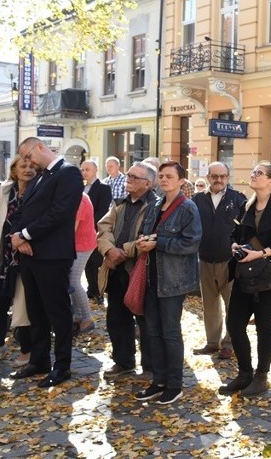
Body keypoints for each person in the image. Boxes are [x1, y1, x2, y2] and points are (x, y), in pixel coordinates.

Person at [219, 162, 271, 397]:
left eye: (259, 173)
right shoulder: (248, 204)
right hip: (246, 272)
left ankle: (261, 377)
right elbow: (237, 233)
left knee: (265, 326)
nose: (253, 175)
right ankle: (244, 373)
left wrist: (262, 252)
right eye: (253, 171)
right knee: (235, 324)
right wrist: (234, 244)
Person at [9, 137, 84, 388]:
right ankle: (39, 360)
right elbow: (22, 211)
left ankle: (62, 366)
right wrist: (16, 237)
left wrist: (26, 234)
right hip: (30, 255)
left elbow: (60, 212)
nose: (26, 162)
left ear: (40, 147)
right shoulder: (40, 177)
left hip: (53, 255)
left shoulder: (69, 172)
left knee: (58, 312)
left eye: (27, 156)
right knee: (36, 312)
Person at [133, 161, 201, 405]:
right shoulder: (155, 205)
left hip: (173, 280)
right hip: (152, 277)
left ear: (181, 180)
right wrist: (143, 241)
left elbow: (191, 244)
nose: (164, 180)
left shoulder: (188, 208)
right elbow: (148, 233)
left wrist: (158, 244)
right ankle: (158, 381)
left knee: (170, 333)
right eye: (161, 176)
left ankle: (175, 384)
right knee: (152, 331)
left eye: (169, 176)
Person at [97, 162, 158, 378]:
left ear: (148, 184)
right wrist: (108, 250)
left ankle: (150, 367)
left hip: (140, 272)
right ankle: (123, 363)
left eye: (134, 177)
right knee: (116, 318)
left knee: (145, 321)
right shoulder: (120, 204)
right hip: (115, 270)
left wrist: (122, 250)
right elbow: (103, 228)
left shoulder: (155, 206)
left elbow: (150, 238)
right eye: (129, 176)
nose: (128, 180)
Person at [0, 156, 35, 368]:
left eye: (32, 166)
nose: (28, 169)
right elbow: (0, 219)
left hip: (25, 251)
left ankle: (26, 350)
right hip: (3, 251)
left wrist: (22, 239)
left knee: (23, 304)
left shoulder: (39, 188)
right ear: (14, 169)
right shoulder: (7, 189)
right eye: (23, 166)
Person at [191, 162, 246, 360]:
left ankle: (230, 343)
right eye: (214, 176)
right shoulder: (197, 199)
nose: (219, 180)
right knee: (210, 304)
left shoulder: (238, 199)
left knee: (232, 304)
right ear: (208, 177)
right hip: (204, 258)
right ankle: (212, 342)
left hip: (229, 260)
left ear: (228, 178)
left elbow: (246, 229)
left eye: (223, 176)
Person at [81, 159, 112, 305]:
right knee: (86, 262)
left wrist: (90, 226)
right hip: (81, 231)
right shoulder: (81, 188)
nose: (84, 172)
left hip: (95, 230)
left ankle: (98, 291)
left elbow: (102, 210)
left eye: (87, 169)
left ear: (95, 170)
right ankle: (91, 288)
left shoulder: (103, 188)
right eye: (82, 170)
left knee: (96, 262)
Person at [70, 193, 97, 334]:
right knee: (72, 281)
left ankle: (87, 319)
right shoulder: (76, 195)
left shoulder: (79, 199)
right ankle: (79, 317)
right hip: (77, 244)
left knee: (73, 282)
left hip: (83, 245)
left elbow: (71, 229)